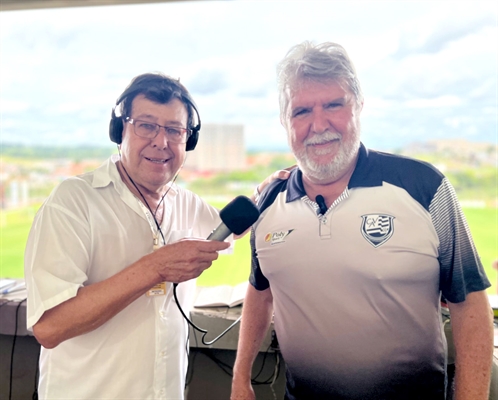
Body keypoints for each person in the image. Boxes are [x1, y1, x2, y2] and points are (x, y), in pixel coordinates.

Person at [231, 41, 494, 400]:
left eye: (334, 105)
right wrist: (240, 379)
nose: (318, 124)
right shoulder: (269, 202)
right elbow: (260, 291)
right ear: (284, 121)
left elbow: (469, 301)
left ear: (359, 106)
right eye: (301, 111)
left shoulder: (422, 186)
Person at [24, 72, 235, 399]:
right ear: (120, 129)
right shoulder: (73, 201)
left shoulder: (188, 204)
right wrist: (156, 268)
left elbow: (229, 230)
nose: (161, 142)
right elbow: (50, 327)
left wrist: (270, 194)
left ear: (187, 141)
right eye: (146, 125)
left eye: (174, 130)